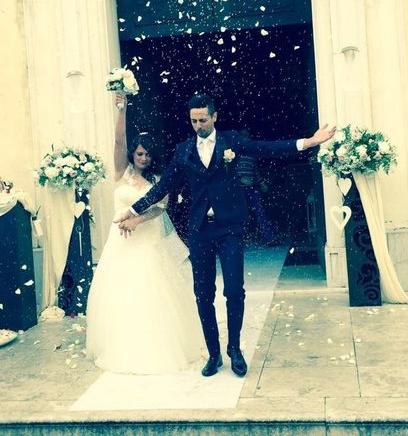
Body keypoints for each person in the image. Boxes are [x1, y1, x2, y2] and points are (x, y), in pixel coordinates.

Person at [117, 93, 336, 378]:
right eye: (194, 121)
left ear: (214, 117)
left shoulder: (231, 141)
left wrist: (308, 142)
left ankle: (235, 349)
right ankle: (214, 354)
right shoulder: (183, 150)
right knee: (203, 294)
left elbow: (266, 149)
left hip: (229, 228)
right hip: (199, 231)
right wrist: (132, 210)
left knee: (234, 290)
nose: (198, 125)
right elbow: (163, 187)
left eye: (203, 120)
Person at [85, 93, 203, 374]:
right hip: (120, 243)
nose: (143, 158)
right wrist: (122, 109)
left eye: (147, 155)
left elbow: (160, 209)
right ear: (132, 154)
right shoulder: (121, 172)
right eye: (139, 153)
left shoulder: (157, 180)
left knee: (151, 291)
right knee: (122, 292)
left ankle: (157, 344)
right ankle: (122, 344)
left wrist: (137, 220)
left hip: (148, 239)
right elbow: (118, 142)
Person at [236, 129, 277, 245]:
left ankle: (270, 237)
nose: (246, 139)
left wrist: (262, 183)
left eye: (247, 137)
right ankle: (237, 240)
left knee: (260, 212)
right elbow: (230, 171)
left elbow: (255, 171)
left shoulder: (252, 154)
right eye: (244, 137)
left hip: (252, 188)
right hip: (240, 189)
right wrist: (240, 179)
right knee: (240, 215)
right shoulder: (235, 153)